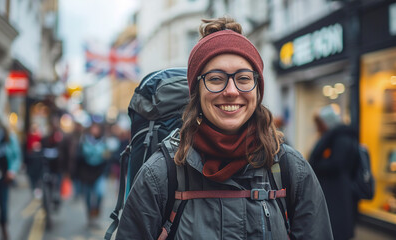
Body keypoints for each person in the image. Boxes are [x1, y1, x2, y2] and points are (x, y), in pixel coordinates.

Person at [115, 17, 333, 239]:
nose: (231, 90)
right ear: (196, 92)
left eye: (244, 78)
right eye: (216, 78)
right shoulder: (160, 174)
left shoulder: (291, 170)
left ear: (258, 89)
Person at [309, 104, 358, 240]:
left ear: (327, 122)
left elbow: (333, 164)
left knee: (336, 229)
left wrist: (327, 137)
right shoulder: (341, 137)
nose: (318, 127)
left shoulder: (340, 138)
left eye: (321, 123)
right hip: (340, 191)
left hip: (338, 193)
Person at [78, 122, 110, 228]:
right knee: (87, 196)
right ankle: (89, 215)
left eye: (97, 128)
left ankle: (96, 212)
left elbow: (107, 157)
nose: (95, 130)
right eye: (93, 128)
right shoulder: (83, 140)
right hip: (86, 173)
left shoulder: (104, 141)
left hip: (99, 172)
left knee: (100, 193)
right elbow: (79, 157)